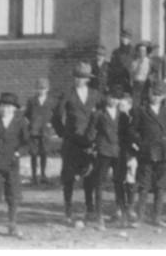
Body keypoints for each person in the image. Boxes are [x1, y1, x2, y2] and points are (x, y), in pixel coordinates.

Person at [53, 61, 102, 225]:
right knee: (68, 177)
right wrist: (63, 133)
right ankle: (68, 211)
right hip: (72, 142)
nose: (78, 80)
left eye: (82, 77)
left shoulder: (95, 95)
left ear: (88, 79)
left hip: (89, 141)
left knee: (90, 175)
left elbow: (101, 115)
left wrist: (96, 134)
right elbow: (56, 116)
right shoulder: (68, 94)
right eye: (76, 77)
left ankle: (90, 209)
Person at [129, 82, 166, 227]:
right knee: (144, 185)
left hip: (163, 152)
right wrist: (140, 143)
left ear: (163, 96)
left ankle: (157, 217)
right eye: (153, 94)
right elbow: (132, 130)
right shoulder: (141, 110)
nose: (155, 97)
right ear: (149, 94)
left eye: (159, 95)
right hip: (147, 152)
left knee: (160, 186)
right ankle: (139, 218)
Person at [0, 92, 31, 238]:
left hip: (12, 165)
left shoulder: (20, 123)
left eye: (9, 106)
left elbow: (27, 143)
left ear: (15, 108)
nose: (6, 109)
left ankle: (12, 225)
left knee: (13, 196)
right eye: (3, 106)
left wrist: (18, 154)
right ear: (0, 107)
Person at [89, 87, 131, 230]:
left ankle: (122, 214)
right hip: (103, 152)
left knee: (119, 183)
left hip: (118, 153)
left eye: (117, 98)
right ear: (106, 97)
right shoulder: (99, 114)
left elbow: (126, 135)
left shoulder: (123, 116)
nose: (114, 100)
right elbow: (91, 133)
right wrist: (91, 146)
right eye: (111, 97)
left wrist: (128, 151)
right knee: (99, 183)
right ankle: (99, 216)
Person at [24, 78, 55, 187]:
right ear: (36, 89)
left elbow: (55, 115)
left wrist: (51, 124)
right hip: (34, 131)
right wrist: (30, 124)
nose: (41, 91)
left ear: (48, 89)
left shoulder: (51, 101)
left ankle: (43, 175)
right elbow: (26, 115)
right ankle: (34, 176)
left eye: (43, 88)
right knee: (33, 154)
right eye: (39, 88)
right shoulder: (31, 101)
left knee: (44, 153)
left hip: (45, 131)